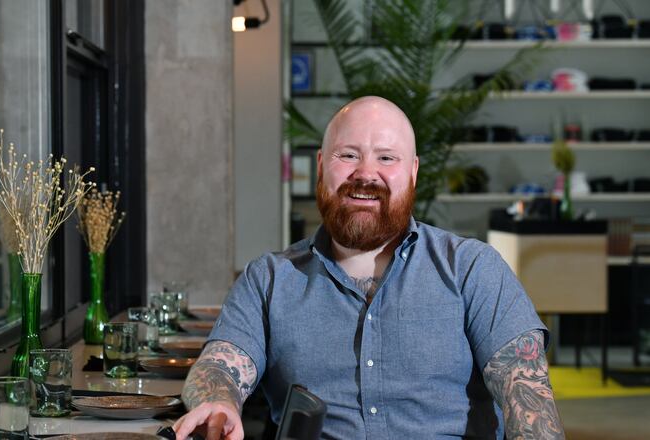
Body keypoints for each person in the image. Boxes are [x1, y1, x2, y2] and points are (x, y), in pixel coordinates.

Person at [173, 96, 564, 440]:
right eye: (348, 155)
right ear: (322, 165)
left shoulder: (472, 269)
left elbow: (528, 396)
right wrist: (218, 401)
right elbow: (219, 366)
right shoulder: (268, 279)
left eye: (386, 157)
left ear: (412, 172)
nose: (365, 173)